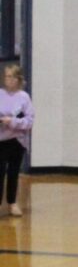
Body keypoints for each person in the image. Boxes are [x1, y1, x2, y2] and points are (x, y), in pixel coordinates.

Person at [0, 64, 32, 217]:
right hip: (1, 140)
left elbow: (29, 121)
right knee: (0, 172)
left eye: (12, 77)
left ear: (18, 79)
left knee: (13, 172)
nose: (9, 80)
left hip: (17, 141)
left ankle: (12, 203)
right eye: (7, 76)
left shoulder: (24, 97)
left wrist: (13, 122)